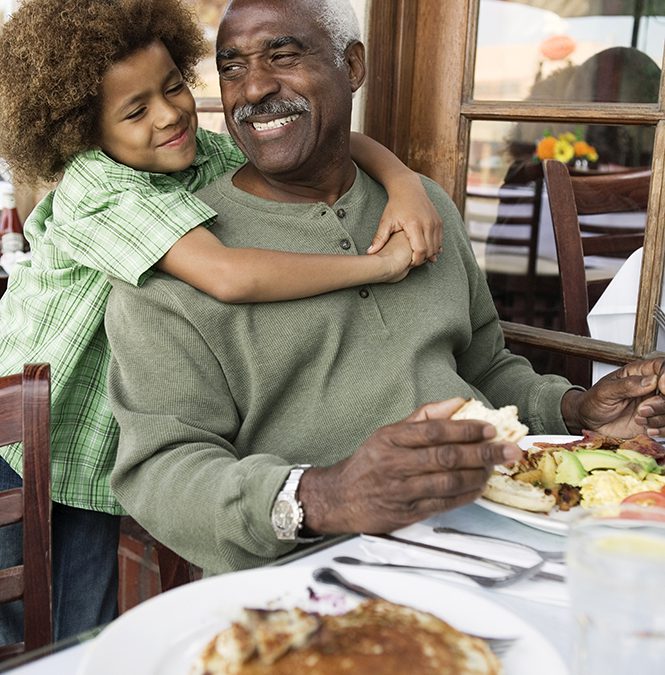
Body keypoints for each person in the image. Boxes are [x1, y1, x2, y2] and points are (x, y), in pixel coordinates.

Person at [105, 0, 665, 577]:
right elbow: (162, 469)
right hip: (317, 578)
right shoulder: (176, 259)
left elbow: (486, 368)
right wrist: (325, 496)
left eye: (283, 55)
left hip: (503, 538)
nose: (253, 90)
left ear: (352, 67)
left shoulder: (422, 208)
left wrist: (577, 411)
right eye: (231, 69)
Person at [0, 0, 443, 645]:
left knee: (84, 624)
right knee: (25, 627)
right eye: (135, 110)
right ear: (84, 133)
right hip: (25, 432)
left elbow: (334, 137)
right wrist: (378, 268)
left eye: (173, 86)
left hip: (99, 443)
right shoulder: (94, 186)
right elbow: (230, 275)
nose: (169, 113)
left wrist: (402, 182)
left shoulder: (196, 154)